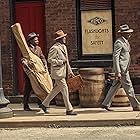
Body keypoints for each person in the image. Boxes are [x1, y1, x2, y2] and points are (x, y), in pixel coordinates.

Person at [101, 24, 140, 111]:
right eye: (127, 33)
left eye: (129, 33)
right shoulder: (119, 42)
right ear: (123, 34)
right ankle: (135, 105)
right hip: (122, 70)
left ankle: (105, 103)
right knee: (129, 86)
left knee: (114, 86)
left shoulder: (125, 41)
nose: (129, 34)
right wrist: (118, 71)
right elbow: (116, 57)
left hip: (124, 68)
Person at [39, 30, 77, 115]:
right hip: (58, 73)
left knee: (56, 90)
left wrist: (70, 72)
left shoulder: (64, 47)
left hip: (63, 72)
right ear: (59, 39)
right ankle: (69, 109)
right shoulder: (54, 48)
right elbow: (50, 60)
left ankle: (44, 104)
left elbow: (66, 61)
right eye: (63, 37)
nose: (65, 38)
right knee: (65, 89)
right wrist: (60, 61)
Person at [22, 32, 48, 111]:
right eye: (35, 40)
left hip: (38, 72)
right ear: (30, 41)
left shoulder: (39, 48)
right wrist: (24, 62)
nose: (37, 41)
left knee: (40, 87)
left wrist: (45, 64)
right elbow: (23, 58)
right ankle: (25, 105)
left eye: (37, 40)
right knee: (28, 89)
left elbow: (42, 57)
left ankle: (41, 104)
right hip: (30, 72)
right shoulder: (27, 49)